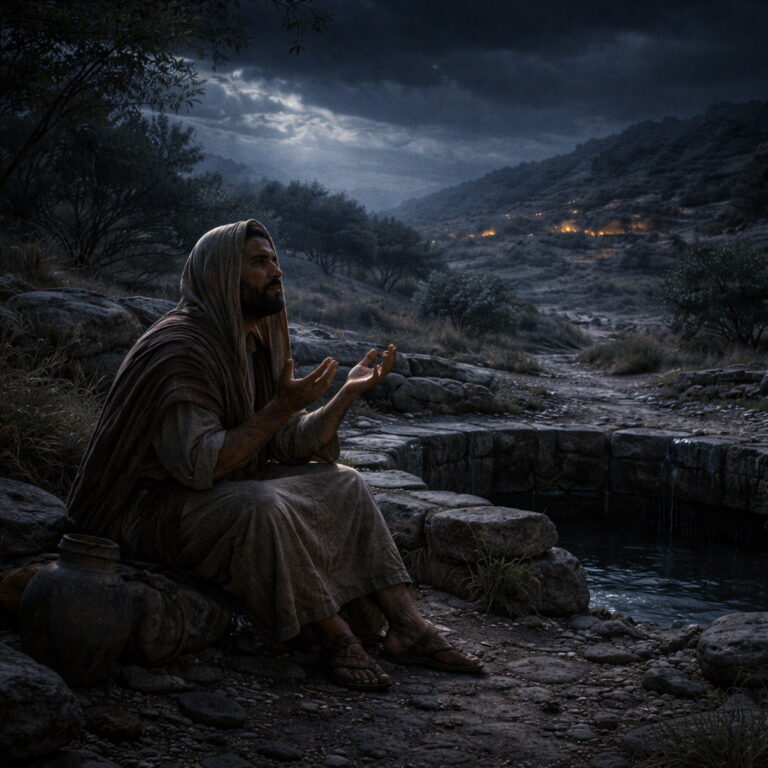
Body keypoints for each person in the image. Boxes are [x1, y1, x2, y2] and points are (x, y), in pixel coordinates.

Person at [68, 220, 482, 690]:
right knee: (262, 505)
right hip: (153, 509)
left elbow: (285, 440)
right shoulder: (179, 349)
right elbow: (202, 464)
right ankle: (334, 637)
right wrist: (281, 405)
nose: (276, 271)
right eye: (259, 262)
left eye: (275, 260)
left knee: (345, 481)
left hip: (215, 492)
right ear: (222, 273)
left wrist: (346, 394)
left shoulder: (251, 340)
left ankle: (409, 627)